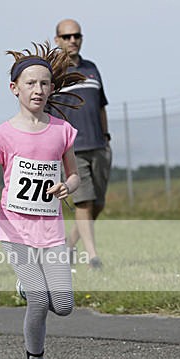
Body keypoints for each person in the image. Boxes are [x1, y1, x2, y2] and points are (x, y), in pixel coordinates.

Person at [0, 43, 82, 359]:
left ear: (52, 88)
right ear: (15, 88)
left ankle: (26, 285)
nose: (38, 90)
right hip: (14, 228)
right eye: (31, 83)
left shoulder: (61, 131)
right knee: (39, 299)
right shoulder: (4, 134)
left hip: (51, 229)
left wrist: (67, 186)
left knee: (64, 306)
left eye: (44, 84)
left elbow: (75, 174)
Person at [53, 18, 111, 269]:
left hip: (99, 145)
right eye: (66, 37)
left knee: (97, 204)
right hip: (73, 149)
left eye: (76, 35)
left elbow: (101, 106)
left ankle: (68, 245)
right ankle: (92, 256)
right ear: (57, 40)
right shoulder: (53, 72)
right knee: (83, 202)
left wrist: (106, 138)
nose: (72, 40)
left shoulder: (92, 68)